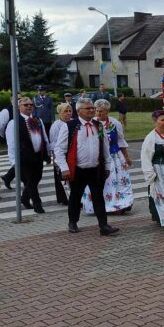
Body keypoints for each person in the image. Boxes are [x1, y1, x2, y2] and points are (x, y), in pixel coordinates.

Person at [54, 98, 118, 236]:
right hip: (78, 169)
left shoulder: (98, 125)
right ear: (78, 111)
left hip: (95, 169)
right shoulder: (70, 126)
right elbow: (59, 149)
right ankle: (73, 222)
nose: (91, 110)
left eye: (92, 108)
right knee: (75, 197)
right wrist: (64, 168)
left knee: (98, 197)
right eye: (87, 108)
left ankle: (104, 226)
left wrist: (107, 166)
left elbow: (105, 147)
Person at [83, 99, 133, 215]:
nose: (98, 113)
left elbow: (120, 141)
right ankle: (98, 206)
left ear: (107, 111)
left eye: (101, 111)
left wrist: (126, 157)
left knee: (117, 181)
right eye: (96, 110)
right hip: (98, 157)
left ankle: (119, 204)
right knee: (100, 182)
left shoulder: (115, 123)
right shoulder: (92, 123)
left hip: (114, 156)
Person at [6, 96, 50, 214]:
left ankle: (25, 198)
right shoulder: (14, 122)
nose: (29, 106)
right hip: (24, 156)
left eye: (31, 104)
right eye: (26, 105)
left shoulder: (37, 120)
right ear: (19, 107)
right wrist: (14, 161)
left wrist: (48, 153)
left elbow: (44, 137)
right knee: (30, 181)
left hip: (38, 155)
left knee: (36, 179)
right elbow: (11, 144)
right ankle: (37, 205)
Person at [49, 102, 73, 205]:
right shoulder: (56, 125)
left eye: (70, 111)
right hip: (61, 154)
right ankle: (64, 198)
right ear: (60, 113)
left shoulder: (73, 122)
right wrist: (56, 159)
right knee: (61, 177)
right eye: (65, 111)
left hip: (72, 153)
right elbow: (54, 143)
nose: (68, 113)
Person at [0, 99, 17, 189]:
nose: (19, 101)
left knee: (24, 161)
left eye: (20, 99)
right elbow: (0, 126)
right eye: (17, 99)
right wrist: (5, 136)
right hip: (11, 137)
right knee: (22, 161)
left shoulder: (23, 108)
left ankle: (8, 177)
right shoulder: (6, 111)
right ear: (11, 100)